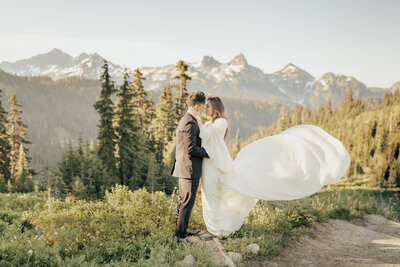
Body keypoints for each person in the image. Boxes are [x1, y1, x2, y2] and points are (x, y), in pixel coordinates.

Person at [192, 96, 351, 236]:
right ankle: (213, 225)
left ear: (216, 107)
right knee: (209, 193)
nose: (205, 108)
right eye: (204, 106)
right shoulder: (209, 122)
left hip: (215, 163)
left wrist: (196, 118)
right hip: (208, 162)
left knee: (214, 193)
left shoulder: (221, 122)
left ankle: (216, 229)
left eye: (207, 106)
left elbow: (206, 135)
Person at [171, 91, 209, 243]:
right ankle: (181, 237)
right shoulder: (189, 122)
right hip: (189, 168)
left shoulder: (189, 120)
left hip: (186, 168)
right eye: (202, 106)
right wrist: (208, 153)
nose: (203, 108)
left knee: (183, 201)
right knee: (186, 202)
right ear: (196, 106)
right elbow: (191, 148)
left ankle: (181, 231)